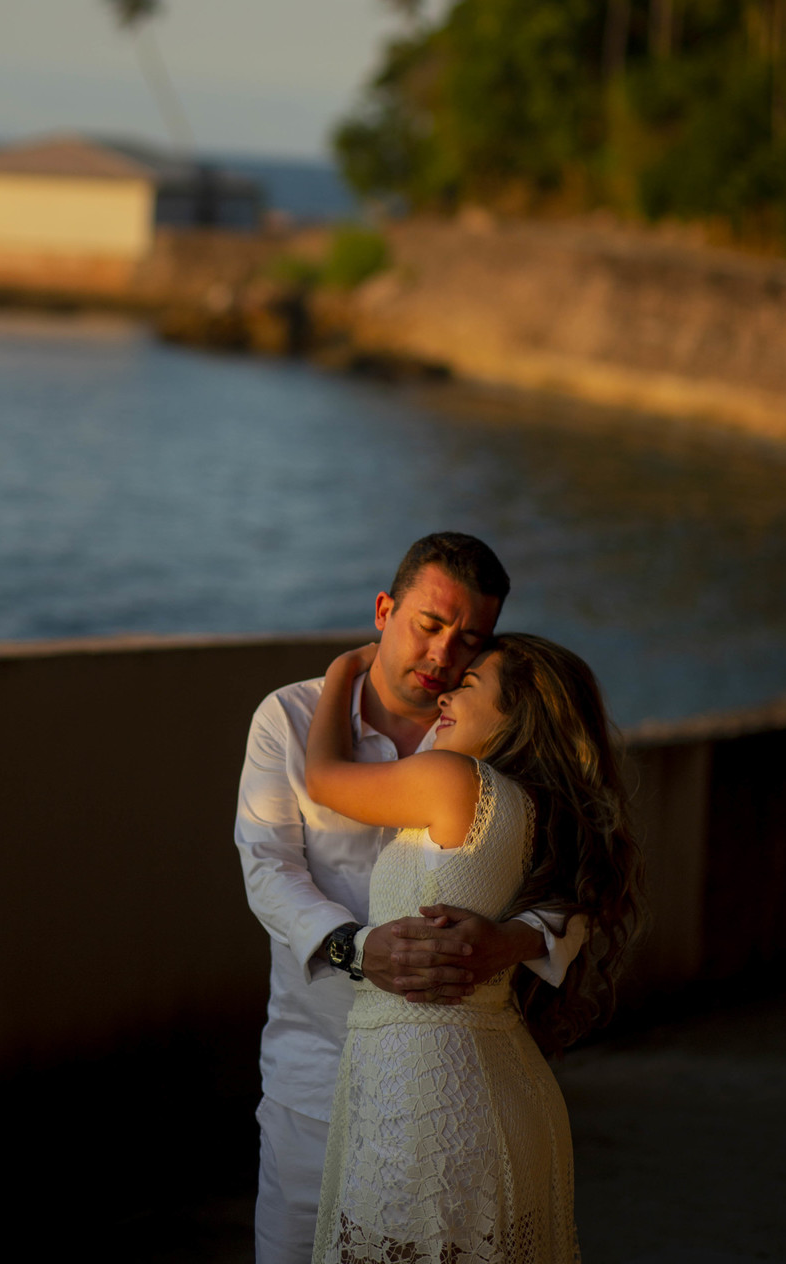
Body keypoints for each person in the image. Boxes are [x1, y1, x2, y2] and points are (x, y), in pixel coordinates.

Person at [235, 534, 587, 1264]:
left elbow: (578, 883)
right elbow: (268, 868)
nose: (443, 656)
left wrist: (512, 941)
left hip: (445, 1094)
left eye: (469, 640)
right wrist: (358, 950)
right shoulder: (290, 720)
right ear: (385, 610)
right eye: (429, 624)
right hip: (314, 1077)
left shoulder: (486, 729)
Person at [305, 629, 643, 1264]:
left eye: (469, 683)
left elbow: (322, 778)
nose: (446, 695)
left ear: (520, 713)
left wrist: (343, 669)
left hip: (430, 1099)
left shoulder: (452, 779)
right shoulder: (543, 813)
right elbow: (580, 908)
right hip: (496, 1091)